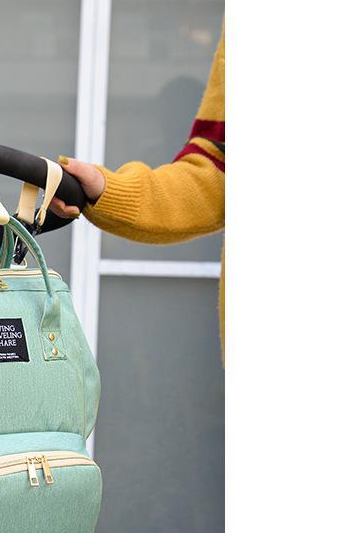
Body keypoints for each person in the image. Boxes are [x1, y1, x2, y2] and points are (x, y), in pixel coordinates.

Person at [52, 25, 225, 347]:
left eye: (171, 111)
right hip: (160, 298)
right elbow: (212, 180)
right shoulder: (157, 152)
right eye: (163, 112)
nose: (164, 120)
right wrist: (105, 188)